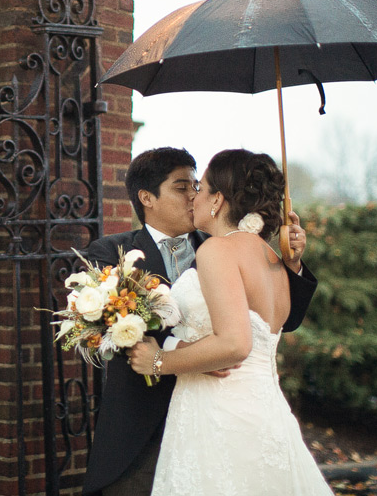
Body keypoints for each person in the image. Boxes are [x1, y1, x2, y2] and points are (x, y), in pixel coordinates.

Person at [81, 147, 318, 496]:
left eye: (197, 186)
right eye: (182, 187)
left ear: (217, 199)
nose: (193, 195)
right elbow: (112, 330)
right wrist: (187, 350)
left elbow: (276, 323)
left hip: (218, 416)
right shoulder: (110, 252)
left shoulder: (224, 248)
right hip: (142, 430)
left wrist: (293, 264)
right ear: (147, 197)